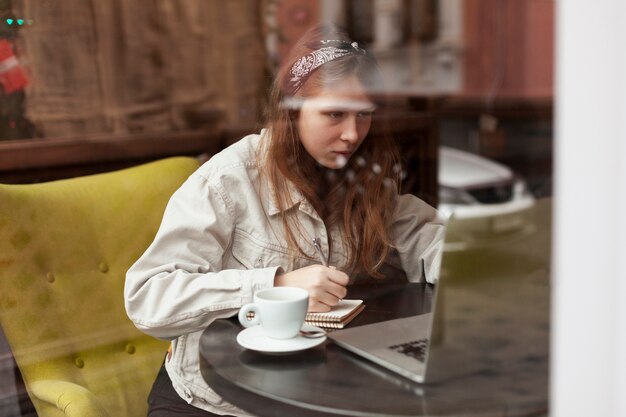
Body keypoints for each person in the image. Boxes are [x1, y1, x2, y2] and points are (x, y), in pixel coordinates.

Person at [125, 24, 445, 417]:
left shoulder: (363, 177)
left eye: (364, 116)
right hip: (213, 402)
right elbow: (148, 298)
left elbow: (430, 240)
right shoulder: (229, 179)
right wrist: (274, 285)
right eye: (334, 114)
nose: (352, 134)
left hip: (309, 395)